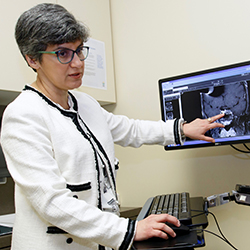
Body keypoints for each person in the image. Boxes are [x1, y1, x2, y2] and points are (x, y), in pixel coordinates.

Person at [0, 3, 225, 250]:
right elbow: (52, 203)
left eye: (79, 50)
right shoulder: (23, 115)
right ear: (32, 59)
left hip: (97, 241)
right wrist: (129, 229)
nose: (77, 63)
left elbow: (130, 130)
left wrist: (182, 129)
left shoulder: (84, 103)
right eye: (63, 54)